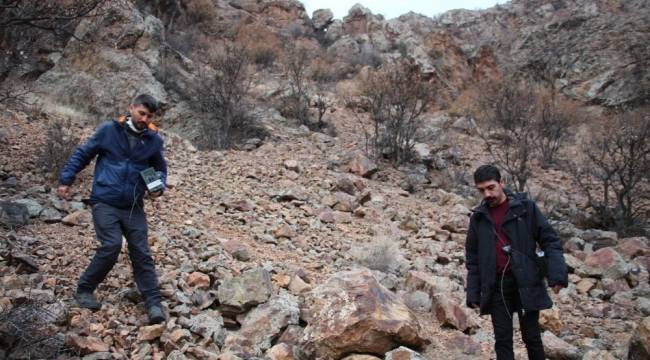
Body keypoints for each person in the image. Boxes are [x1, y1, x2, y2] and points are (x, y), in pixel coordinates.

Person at [58, 94, 167, 325]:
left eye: (149, 116)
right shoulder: (109, 130)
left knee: (141, 252)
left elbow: (160, 169)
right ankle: (85, 289)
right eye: (141, 113)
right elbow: (83, 153)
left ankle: (153, 303)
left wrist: (159, 187)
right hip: (104, 200)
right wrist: (66, 179)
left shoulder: (154, 141)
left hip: (133, 205)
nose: (144, 119)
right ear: (131, 108)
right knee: (111, 245)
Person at [465, 165, 568, 360]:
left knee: (532, 337)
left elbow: (550, 240)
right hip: (496, 285)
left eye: (491, 187)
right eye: (481, 190)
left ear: (502, 182)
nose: (487, 194)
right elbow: (473, 258)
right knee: (502, 339)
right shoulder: (478, 218)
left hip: (526, 281)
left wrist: (557, 274)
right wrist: (473, 292)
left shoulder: (525, 208)